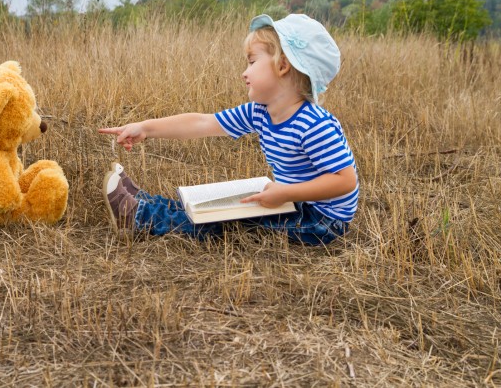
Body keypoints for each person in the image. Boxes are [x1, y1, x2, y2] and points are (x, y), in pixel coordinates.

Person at [98, 14, 358, 245]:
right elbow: (202, 123)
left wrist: (286, 192)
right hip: (295, 202)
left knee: (230, 224)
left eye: (252, 62)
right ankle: (149, 203)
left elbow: (345, 181)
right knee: (218, 209)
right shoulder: (259, 112)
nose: (245, 73)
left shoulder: (314, 123)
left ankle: (141, 217)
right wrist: (145, 128)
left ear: (282, 66)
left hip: (322, 220)